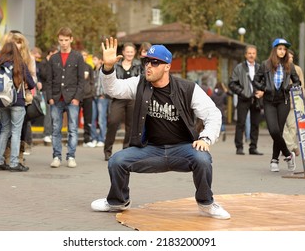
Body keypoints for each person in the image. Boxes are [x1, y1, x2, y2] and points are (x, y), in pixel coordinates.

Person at [91, 37, 230, 220]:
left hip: (182, 149)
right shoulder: (139, 83)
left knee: (203, 159)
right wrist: (108, 69)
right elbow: (114, 89)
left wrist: (205, 138)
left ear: (167, 66)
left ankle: (206, 203)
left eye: (155, 63)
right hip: (151, 150)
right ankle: (118, 201)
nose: (149, 66)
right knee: (117, 161)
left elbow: (213, 113)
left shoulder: (187, 88)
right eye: (147, 61)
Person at [253, 38, 301, 172]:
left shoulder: (289, 66)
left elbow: (298, 82)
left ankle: (274, 160)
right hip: (269, 101)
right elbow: (255, 81)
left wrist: (290, 86)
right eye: (280, 48)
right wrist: (265, 88)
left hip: (284, 101)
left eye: (284, 49)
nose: (282, 51)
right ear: (275, 50)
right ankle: (288, 154)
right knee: (273, 130)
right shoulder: (265, 65)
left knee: (279, 131)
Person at [0, 42, 35, 172]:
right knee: (16, 131)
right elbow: (31, 83)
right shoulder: (20, 64)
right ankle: (14, 163)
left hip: (2, 102)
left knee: (5, 130)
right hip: (17, 101)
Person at [47, 27, 85, 168]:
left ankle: (71, 156)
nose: (63, 43)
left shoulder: (78, 57)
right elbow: (49, 80)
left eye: (66, 40)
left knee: (73, 129)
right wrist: (50, 97)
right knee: (56, 128)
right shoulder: (53, 58)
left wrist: (77, 98)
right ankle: (57, 156)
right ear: (58, 40)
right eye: (61, 40)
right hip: (56, 98)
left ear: (71, 39)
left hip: (72, 98)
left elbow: (81, 80)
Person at [103, 42, 142, 161]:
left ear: (134, 53)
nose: (129, 53)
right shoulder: (116, 64)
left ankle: (126, 149)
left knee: (131, 126)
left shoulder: (138, 65)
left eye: (131, 51)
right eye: (127, 51)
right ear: (123, 52)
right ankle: (107, 150)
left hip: (132, 98)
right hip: (118, 98)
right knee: (113, 122)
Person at [229, 45, 263, 155]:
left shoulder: (260, 68)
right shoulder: (239, 68)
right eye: (249, 53)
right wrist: (242, 92)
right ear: (245, 55)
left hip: (256, 99)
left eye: (253, 53)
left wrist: (262, 91)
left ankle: (253, 147)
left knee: (255, 124)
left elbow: (265, 82)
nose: (251, 55)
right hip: (243, 99)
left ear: (256, 55)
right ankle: (239, 147)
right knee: (241, 123)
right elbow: (232, 83)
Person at [282, 49, 305, 157]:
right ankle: (292, 146)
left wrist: (301, 100)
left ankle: (288, 148)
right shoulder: (280, 68)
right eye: (288, 57)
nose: (289, 59)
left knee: (292, 127)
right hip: (282, 102)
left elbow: (302, 86)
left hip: (294, 102)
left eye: (291, 57)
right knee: (281, 127)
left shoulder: (297, 69)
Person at [37, 45, 58, 144]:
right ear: (51, 53)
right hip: (46, 90)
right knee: (48, 113)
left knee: (55, 113)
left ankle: (53, 133)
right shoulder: (44, 63)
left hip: (55, 90)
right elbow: (44, 75)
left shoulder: (55, 63)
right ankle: (47, 133)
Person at [90, 53, 110, 148]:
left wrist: (104, 94)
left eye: (95, 59)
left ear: (100, 60)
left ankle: (102, 138)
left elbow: (106, 83)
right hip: (93, 97)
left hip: (102, 97)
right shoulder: (93, 70)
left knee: (101, 119)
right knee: (92, 118)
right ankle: (94, 138)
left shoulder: (103, 70)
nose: (93, 61)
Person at [80, 50, 95, 147]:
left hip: (88, 96)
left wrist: (91, 92)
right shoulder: (75, 67)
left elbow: (92, 81)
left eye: (85, 55)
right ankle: (71, 139)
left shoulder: (89, 67)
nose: (83, 56)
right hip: (77, 96)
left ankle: (87, 139)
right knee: (72, 118)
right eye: (82, 55)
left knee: (88, 118)